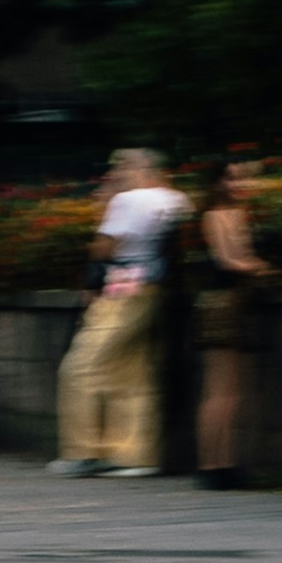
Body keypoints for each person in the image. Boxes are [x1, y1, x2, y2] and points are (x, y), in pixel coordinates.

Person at [54, 148, 188, 478]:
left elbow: (103, 247)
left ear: (137, 167)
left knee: (79, 367)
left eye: (120, 167)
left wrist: (107, 207)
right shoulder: (176, 199)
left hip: (121, 288)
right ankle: (135, 455)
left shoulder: (128, 200)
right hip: (156, 289)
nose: (115, 174)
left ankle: (82, 451)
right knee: (134, 373)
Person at [195, 158, 280, 489]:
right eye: (231, 179)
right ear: (217, 182)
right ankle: (211, 466)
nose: (239, 184)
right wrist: (263, 269)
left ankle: (224, 464)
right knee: (221, 391)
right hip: (222, 304)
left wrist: (256, 266)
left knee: (231, 391)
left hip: (235, 303)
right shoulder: (216, 215)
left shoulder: (237, 214)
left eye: (242, 179)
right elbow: (227, 259)